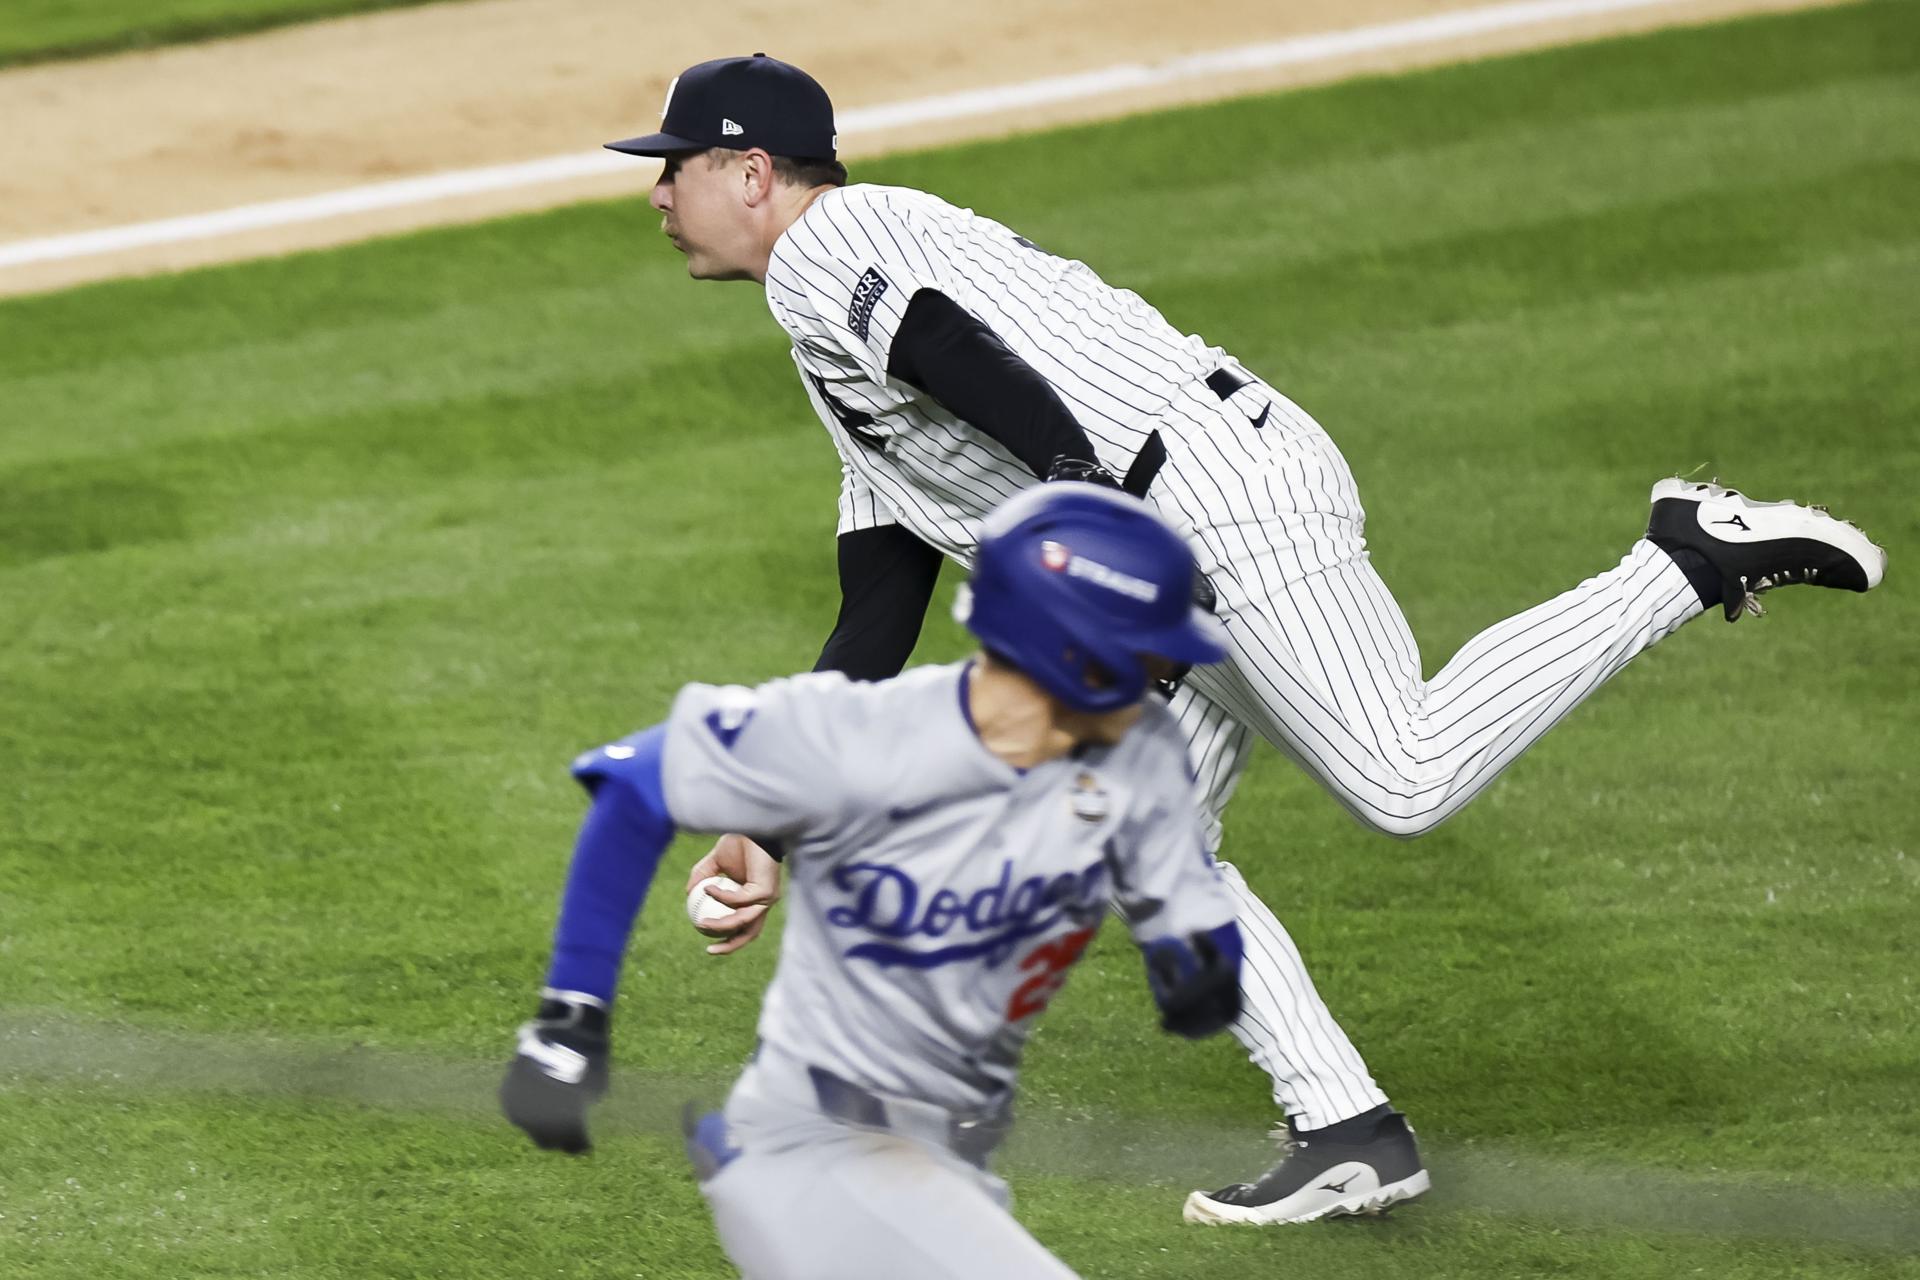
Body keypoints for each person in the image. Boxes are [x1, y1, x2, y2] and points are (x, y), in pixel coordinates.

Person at [596, 53, 1888, 1225]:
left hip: (1213, 500)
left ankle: (1680, 558)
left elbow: (1004, 391)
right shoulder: (830, 338)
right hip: (1173, 511)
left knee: (1404, 776)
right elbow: (877, 601)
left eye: (675, 168)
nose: (657, 195)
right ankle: (1349, 1129)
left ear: (752, 172)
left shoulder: (838, 245)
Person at [501, 485, 1256, 1278]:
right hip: (815, 1154)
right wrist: (570, 1021)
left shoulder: (1143, 756)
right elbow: (638, 786)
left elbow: (1188, 909)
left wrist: (1202, 956)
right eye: (1150, 654)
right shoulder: (862, 739)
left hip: (948, 1162)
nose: (1168, 674)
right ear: (1072, 651)